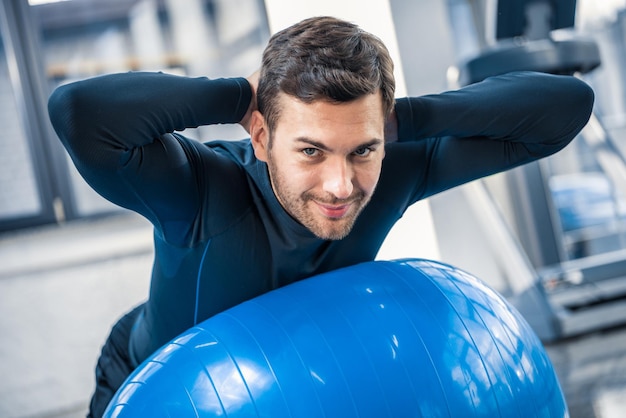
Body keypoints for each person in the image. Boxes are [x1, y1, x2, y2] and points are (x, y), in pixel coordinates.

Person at [47, 16, 594, 418]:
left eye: (361, 149)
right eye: (311, 150)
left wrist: (404, 117)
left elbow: (564, 109)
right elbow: (79, 113)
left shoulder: (391, 166)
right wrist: (240, 98)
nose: (341, 185)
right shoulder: (203, 190)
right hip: (152, 389)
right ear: (261, 137)